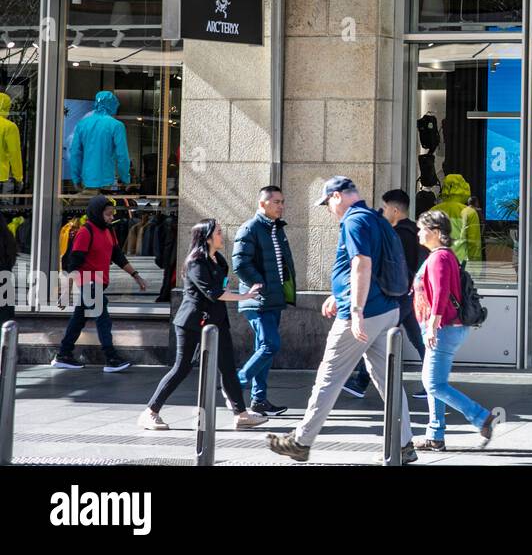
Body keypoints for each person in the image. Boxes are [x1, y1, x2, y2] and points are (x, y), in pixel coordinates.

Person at [266, 176, 415, 464]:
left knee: (329, 377)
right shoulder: (375, 217)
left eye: (327, 204)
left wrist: (356, 309)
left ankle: (301, 440)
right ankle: (405, 444)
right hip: (386, 310)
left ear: (337, 196)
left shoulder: (354, 220)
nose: (328, 209)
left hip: (363, 314)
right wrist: (340, 293)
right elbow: (367, 265)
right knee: (388, 382)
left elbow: (362, 262)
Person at [139, 220, 269, 431]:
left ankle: (241, 414)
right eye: (218, 232)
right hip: (192, 322)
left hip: (216, 321)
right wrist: (245, 296)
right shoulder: (195, 262)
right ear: (207, 237)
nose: (221, 236)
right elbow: (213, 293)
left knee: (228, 367)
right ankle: (150, 412)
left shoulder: (218, 260)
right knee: (182, 367)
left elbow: (221, 288)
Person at [412, 209, 496, 451]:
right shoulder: (441, 256)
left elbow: (440, 293)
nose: (418, 233)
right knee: (433, 382)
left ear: (436, 232)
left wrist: (432, 326)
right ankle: (435, 435)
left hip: (444, 328)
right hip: (443, 327)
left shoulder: (439, 257)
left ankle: (481, 417)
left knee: (434, 385)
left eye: (422, 229)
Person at [342, 188, 429, 400]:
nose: (381, 211)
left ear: (396, 209)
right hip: (409, 294)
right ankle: (432, 382)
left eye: (384, 207)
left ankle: (361, 382)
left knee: (377, 335)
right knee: (418, 339)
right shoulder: (415, 231)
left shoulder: (397, 234)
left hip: (399, 295)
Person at [52, 195, 146, 372]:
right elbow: (74, 263)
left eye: (112, 214)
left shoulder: (109, 231)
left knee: (79, 318)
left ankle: (63, 354)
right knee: (103, 318)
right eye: (108, 214)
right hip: (87, 281)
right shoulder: (85, 232)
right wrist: (66, 292)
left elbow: (118, 256)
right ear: (96, 213)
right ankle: (111, 358)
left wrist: (136, 275)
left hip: (99, 282)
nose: (111, 218)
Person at [233, 184, 297, 416]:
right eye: (276, 202)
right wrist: (260, 283)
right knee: (271, 345)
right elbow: (240, 263)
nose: (281, 206)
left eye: (282, 201)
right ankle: (237, 383)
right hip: (257, 299)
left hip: (273, 298)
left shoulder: (276, 228)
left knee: (264, 348)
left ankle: (259, 401)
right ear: (263, 203)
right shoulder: (250, 228)